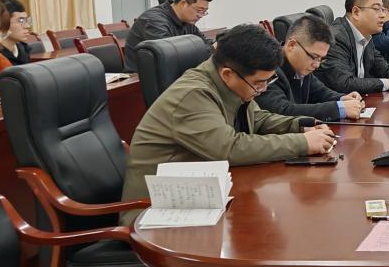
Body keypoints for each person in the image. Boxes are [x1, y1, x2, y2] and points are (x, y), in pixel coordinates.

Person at [120, 23, 337, 219]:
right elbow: (229, 148)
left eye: (267, 82)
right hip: (155, 210)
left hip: (204, 194)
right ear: (227, 74)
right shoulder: (193, 95)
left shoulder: (232, 84)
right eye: (259, 83)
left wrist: (301, 125)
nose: (262, 89)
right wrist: (302, 143)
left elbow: (258, 119)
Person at [256, 14, 366, 122]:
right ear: (292, 45)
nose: (316, 65)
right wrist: (339, 108)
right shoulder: (268, 68)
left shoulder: (301, 66)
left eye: (321, 59)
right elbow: (282, 111)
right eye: (314, 57)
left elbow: (320, 92)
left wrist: (343, 99)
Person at [124, 0, 212, 71]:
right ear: (183, 4)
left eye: (204, 12)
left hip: (171, 72)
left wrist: (216, 45)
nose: (201, 15)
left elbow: (202, 42)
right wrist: (211, 49)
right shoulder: (154, 20)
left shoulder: (187, 21)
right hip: (143, 75)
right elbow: (169, 55)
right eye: (199, 10)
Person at [0, 0, 34, 66]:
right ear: (3, 23)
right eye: (21, 21)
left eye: (26, 20)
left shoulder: (24, 49)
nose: (27, 26)